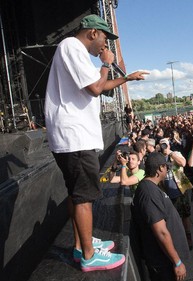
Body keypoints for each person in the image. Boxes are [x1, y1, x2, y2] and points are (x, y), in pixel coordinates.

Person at [44, 14, 148, 272]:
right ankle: (89, 256)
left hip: (73, 136)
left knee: (77, 193)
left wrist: (127, 78)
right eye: (104, 37)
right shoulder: (71, 47)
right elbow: (95, 88)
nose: (105, 44)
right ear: (92, 32)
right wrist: (106, 64)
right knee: (84, 197)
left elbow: (99, 86)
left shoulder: (73, 50)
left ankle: (83, 245)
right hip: (74, 136)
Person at [131, 152, 189, 281]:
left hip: (166, 260)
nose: (167, 169)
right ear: (160, 169)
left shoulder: (151, 187)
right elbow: (161, 232)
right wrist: (177, 262)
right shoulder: (149, 193)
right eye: (166, 166)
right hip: (164, 264)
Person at [159, 138, 193, 250]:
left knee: (185, 215)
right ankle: (178, 239)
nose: (164, 147)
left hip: (180, 190)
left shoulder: (175, 153)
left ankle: (188, 236)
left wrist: (171, 154)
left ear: (169, 145)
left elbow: (183, 163)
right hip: (166, 192)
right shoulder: (159, 156)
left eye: (165, 144)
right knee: (172, 218)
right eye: (162, 145)